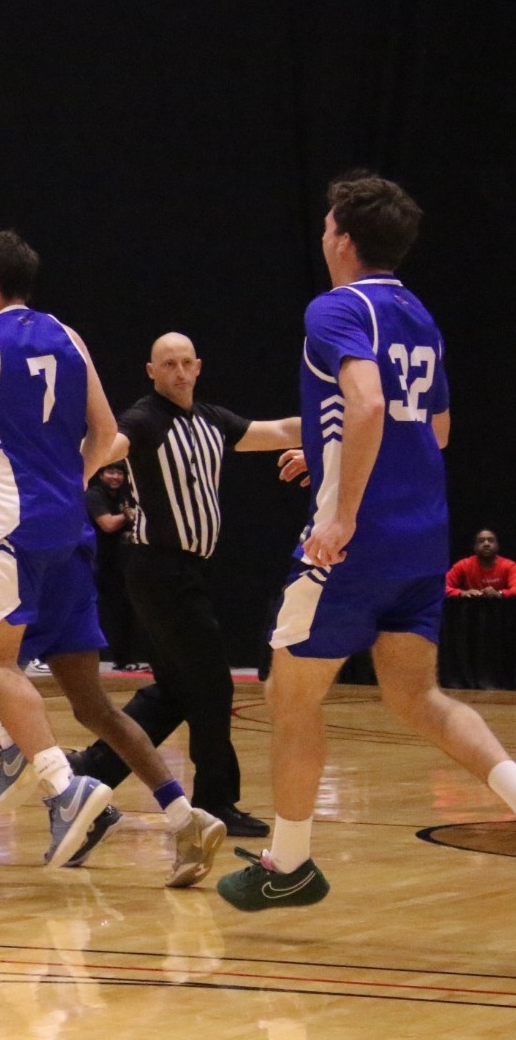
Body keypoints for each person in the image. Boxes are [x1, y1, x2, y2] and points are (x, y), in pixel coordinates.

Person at [0, 228, 223, 880]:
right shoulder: (68, 336)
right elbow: (105, 434)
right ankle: (185, 818)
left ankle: (62, 788)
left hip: (10, 528)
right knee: (33, 680)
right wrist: (68, 483)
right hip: (66, 531)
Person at [219, 173, 516, 910]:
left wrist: (341, 508)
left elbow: (369, 402)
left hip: (355, 543)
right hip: (422, 536)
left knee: (289, 694)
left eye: (326, 226)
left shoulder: (333, 307)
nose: (322, 235)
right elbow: (434, 430)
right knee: (416, 694)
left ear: (342, 239)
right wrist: (327, 452)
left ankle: (286, 863)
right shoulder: (418, 314)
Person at [72, 332, 303, 838]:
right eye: (167, 364)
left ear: (198, 367)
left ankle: (93, 769)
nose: (178, 371)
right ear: (151, 372)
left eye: (185, 363)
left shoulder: (213, 420)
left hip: (188, 572)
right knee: (212, 684)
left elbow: (279, 429)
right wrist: (75, 458)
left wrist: (337, 425)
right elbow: (111, 445)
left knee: (176, 691)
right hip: (158, 569)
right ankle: (217, 801)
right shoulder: (143, 418)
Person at [83, 463, 140, 669]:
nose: (115, 477)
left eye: (119, 473)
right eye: (110, 472)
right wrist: (129, 514)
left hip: (120, 562)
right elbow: (107, 525)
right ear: (100, 474)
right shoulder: (94, 495)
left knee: (125, 609)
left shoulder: (125, 495)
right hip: (97, 562)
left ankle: (125, 660)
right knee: (106, 610)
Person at [446, 529, 516, 597]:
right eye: (481, 541)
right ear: (475, 547)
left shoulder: (510, 566)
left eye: (491, 540)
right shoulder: (463, 565)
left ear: (497, 546)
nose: (486, 544)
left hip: (502, 607)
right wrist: (462, 593)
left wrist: (499, 593)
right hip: (471, 606)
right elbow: (442, 588)